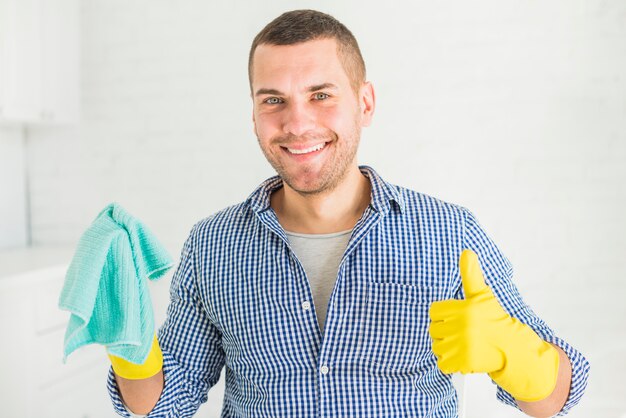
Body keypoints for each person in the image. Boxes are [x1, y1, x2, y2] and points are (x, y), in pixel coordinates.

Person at [107, 9, 589, 417]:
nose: (297, 123)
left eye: (321, 95)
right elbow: (162, 405)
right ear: (253, 115)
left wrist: (512, 353)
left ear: (364, 103)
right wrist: (126, 336)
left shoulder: (449, 232)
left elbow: (558, 396)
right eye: (274, 100)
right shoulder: (212, 245)